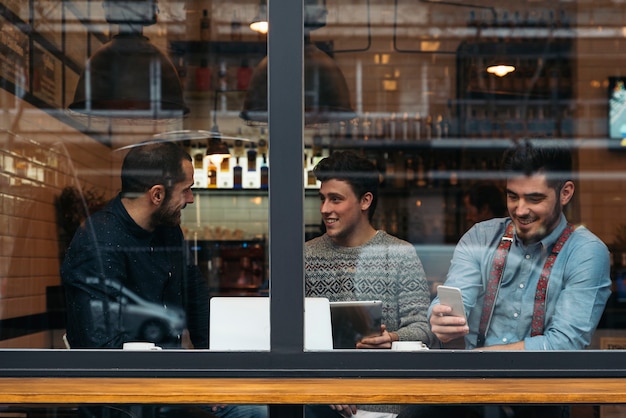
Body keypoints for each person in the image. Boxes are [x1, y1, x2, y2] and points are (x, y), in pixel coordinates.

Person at [399, 141, 612, 418]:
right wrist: (440, 316)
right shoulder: (480, 237)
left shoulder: (585, 252)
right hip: (471, 395)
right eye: (513, 196)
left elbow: (564, 345)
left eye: (534, 199)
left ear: (565, 193)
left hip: (539, 398)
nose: (520, 210)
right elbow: (453, 299)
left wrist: (480, 357)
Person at [61, 140, 266, 418]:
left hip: (169, 384)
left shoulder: (167, 231)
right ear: (157, 195)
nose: (191, 199)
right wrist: (190, 391)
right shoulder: (98, 243)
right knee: (254, 412)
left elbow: (196, 299)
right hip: (124, 399)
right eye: (186, 190)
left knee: (263, 403)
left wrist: (218, 373)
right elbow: (103, 349)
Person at [304, 150, 435, 418]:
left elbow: (423, 328)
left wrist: (392, 338)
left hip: (386, 401)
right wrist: (326, 387)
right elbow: (289, 335)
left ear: (365, 201)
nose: (325, 209)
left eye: (335, 199)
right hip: (319, 398)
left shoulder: (399, 254)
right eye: (323, 199)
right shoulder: (306, 256)